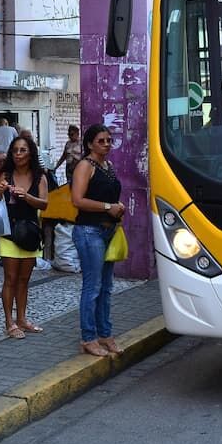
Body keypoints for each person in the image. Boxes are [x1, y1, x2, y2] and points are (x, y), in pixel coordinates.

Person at [70, 124, 125, 357]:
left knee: (106, 287)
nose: (106, 144)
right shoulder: (85, 166)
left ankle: (105, 334)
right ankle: (88, 337)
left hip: (108, 230)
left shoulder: (109, 166)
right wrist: (107, 207)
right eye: (101, 141)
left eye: (109, 140)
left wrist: (117, 208)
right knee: (92, 287)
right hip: (88, 230)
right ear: (90, 144)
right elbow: (77, 200)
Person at [0, 135, 49, 339]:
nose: (18, 154)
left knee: (24, 279)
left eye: (23, 150)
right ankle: (9, 322)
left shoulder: (40, 177)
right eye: (15, 150)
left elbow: (44, 204)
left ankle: (22, 319)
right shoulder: (6, 175)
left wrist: (26, 196)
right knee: (10, 278)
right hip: (9, 233)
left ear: (31, 152)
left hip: (30, 233)